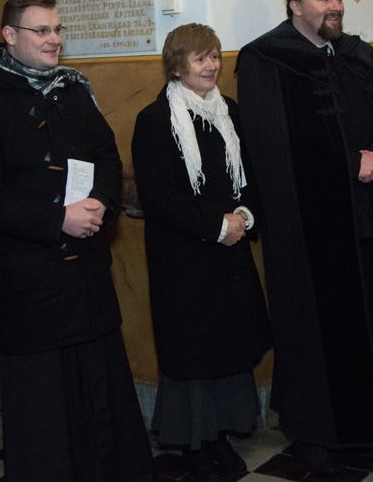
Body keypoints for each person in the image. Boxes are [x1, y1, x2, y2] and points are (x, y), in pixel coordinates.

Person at [235, 0, 373, 472]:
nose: (336, 6)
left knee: (369, 315)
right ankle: (317, 431)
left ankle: (368, 418)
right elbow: (274, 149)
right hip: (310, 227)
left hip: (367, 214)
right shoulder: (266, 59)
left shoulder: (352, 54)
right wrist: (349, 163)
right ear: (295, 4)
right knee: (317, 330)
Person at [0, 0, 153, 482]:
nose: (54, 39)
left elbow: (106, 157)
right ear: (9, 35)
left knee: (101, 393)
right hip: (31, 284)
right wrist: (57, 218)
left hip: (87, 275)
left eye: (58, 29)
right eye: (41, 30)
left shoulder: (73, 92)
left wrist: (101, 202)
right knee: (45, 413)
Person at [132, 24, 272, 481]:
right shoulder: (156, 120)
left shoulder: (228, 111)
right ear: (177, 66)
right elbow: (160, 197)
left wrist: (244, 216)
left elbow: (249, 176)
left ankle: (220, 436)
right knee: (192, 352)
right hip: (183, 258)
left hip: (229, 252)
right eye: (200, 58)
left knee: (228, 345)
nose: (211, 65)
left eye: (215, 56)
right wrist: (216, 226)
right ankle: (194, 444)